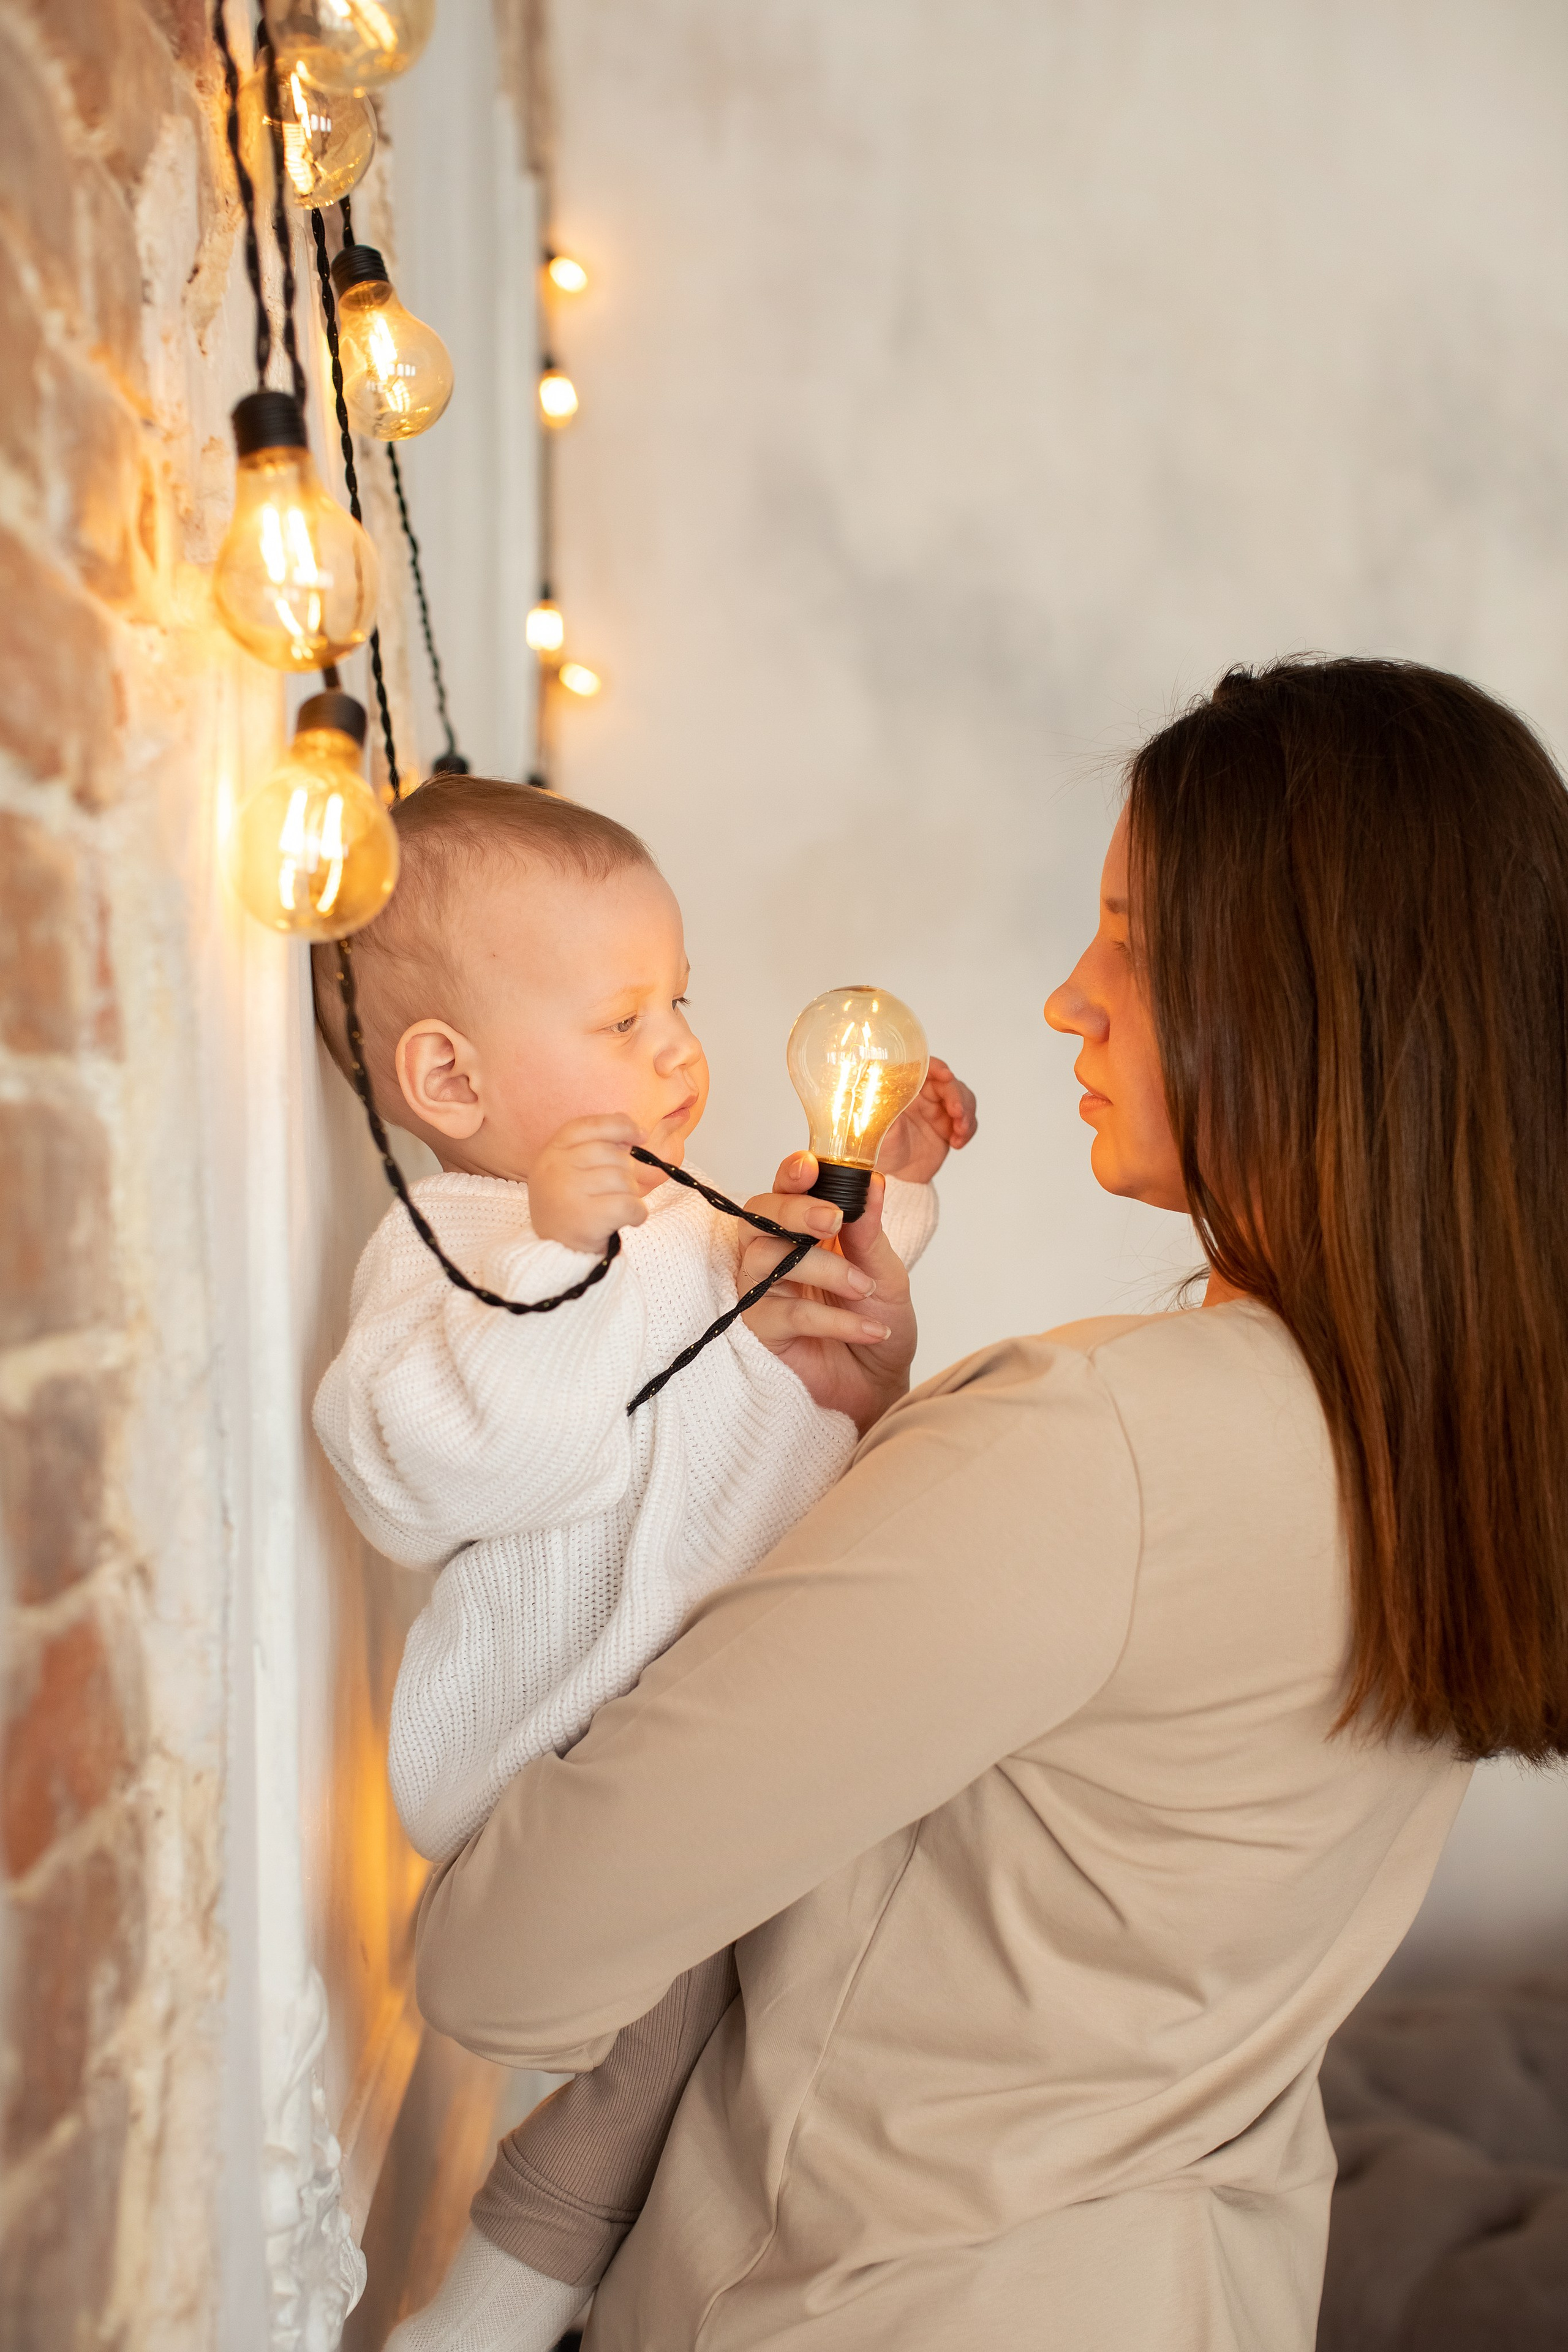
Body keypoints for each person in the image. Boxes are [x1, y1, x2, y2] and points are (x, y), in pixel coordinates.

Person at [412, 658, 1568, 2350]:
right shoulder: (1448, 1435)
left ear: (1312, 1002)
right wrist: (885, 1441)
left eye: (1135, 942)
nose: (1067, 1001)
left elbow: (507, 1961)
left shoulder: (1096, 1452)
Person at [309, 777, 976, 2351]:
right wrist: (554, 1243)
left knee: (829, 1958)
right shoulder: (452, 1254)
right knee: (679, 2019)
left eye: (679, 1001)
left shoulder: (674, 1227)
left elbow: (774, 1314)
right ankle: (490, 2308)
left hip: (708, 1700)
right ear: (448, 1077)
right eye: (623, 1020)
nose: (678, 1049)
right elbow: (444, 1467)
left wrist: (883, 1186)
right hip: (559, 1742)